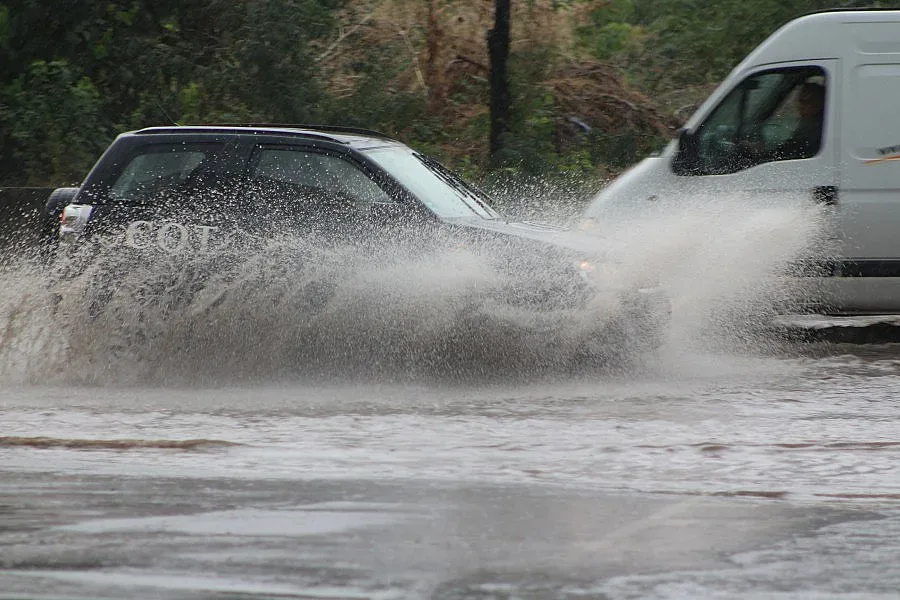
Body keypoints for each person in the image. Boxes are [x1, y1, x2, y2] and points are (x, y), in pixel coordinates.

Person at [774, 81, 825, 160]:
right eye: (799, 101)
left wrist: (767, 152)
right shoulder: (806, 122)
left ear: (819, 103)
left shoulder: (815, 127)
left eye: (806, 102)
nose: (800, 106)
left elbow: (794, 148)